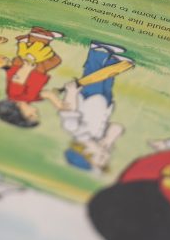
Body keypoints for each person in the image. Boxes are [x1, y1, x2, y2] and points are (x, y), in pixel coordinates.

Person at [55, 41, 135, 172]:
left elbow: (69, 110)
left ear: (86, 153)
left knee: (93, 74)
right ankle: (112, 61)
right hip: (104, 102)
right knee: (106, 78)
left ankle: (98, 51)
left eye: (101, 158)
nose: (107, 155)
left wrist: (71, 93)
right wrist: (108, 141)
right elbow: (117, 127)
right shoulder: (98, 139)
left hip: (88, 98)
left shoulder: (75, 130)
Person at [0, 26, 64, 127]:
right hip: (39, 71)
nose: (35, 110)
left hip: (28, 66)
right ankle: (26, 40)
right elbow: (47, 94)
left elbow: (18, 79)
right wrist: (61, 107)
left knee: (38, 50)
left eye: (32, 114)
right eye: (36, 114)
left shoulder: (14, 95)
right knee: (55, 60)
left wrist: (27, 67)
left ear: (18, 112)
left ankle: (38, 34)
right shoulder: (30, 99)